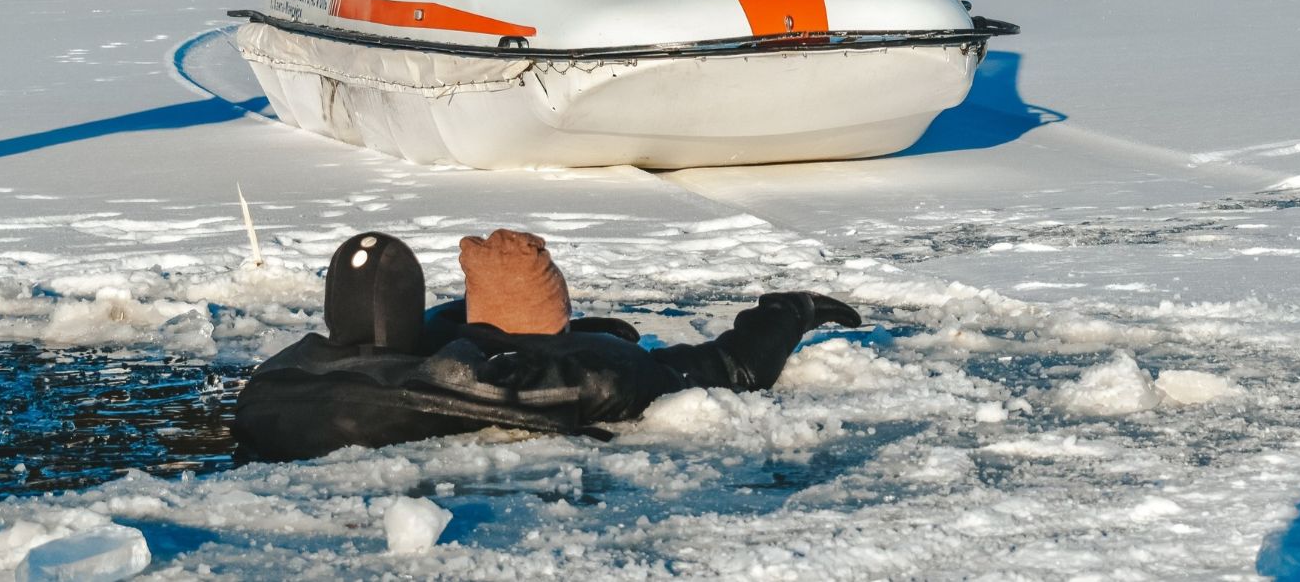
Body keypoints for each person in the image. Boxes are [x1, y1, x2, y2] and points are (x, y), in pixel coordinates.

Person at [233, 229, 861, 463]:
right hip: (589, 368)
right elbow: (734, 366)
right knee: (718, 367)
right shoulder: (596, 370)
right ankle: (793, 303)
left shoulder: (287, 374)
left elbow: (443, 329)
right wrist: (790, 312)